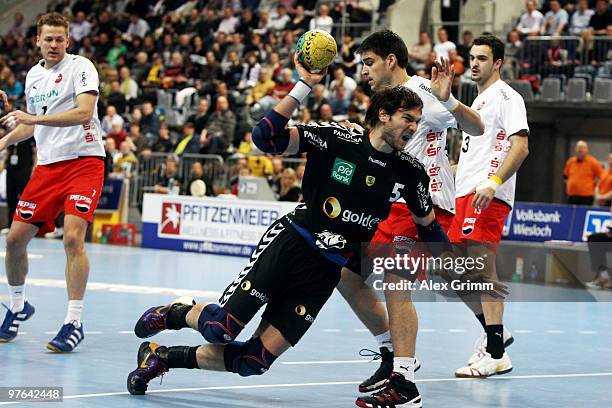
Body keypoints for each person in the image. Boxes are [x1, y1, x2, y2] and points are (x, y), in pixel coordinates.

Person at [125, 54, 446, 400]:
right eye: (407, 119)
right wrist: (305, 84)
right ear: (383, 115)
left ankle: (161, 357)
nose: (413, 128)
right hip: (291, 245)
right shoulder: (338, 139)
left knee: (254, 360)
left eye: (417, 121)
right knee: (221, 328)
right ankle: (175, 313)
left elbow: (429, 229)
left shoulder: (410, 171)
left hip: (325, 273)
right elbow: (266, 137)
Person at [337, 30, 484, 407]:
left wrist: (449, 98)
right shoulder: (384, 102)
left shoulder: (423, 94)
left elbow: (477, 127)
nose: (364, 71)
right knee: (344, 274)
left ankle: (405, 385)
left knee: (395, 280)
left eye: (368, 63)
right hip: (389, 206)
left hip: (425, 205)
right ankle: (391, 355)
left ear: (391, 60)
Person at [0, 12, 105, 352]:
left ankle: (73, 321)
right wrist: (4, 140)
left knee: (73, 238)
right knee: (14, 241)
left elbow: (84, 112)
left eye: (60, 39)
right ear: (38, 41)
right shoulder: (33, 76)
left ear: (68, 41)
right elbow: (32, 126)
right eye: (49, 39)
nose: (55, 44)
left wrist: (35, 117)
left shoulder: (82, 67)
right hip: (46, 168)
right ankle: (18, 307)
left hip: (84, 162)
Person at [449, 35, 530, 378]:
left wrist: (494, 182)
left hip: (488, 194)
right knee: (450, 270)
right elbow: (468, 160)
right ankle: (497, 331)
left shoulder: (507, 97)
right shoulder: (479, 101)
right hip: (464, 193)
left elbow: (521, 146)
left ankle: (496, 351)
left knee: (482, 267)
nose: (475, 63)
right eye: (472, 57)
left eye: (482, 58)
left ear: (497, 62)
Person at [563, 140, 603, 205]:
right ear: (575, 149)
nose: (580, 150)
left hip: (587, 196)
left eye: (582, 148)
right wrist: (571, 184)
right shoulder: (571, 162)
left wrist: (596, 187)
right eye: (578, 148)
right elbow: (565, 176)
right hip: (572, 195)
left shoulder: (593, 162)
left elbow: (602, 176)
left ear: (587, 150)